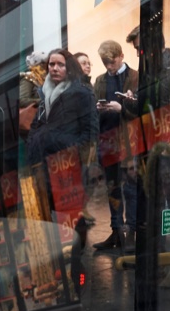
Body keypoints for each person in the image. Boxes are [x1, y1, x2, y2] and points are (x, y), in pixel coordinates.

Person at [93, 39, 140, 251]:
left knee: (130, 187)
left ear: (121, 56)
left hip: (129, 141)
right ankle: (116, 231)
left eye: (111, 61)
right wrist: (99, 108)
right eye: (105, 62)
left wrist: (123, 108)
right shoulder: (100, 80)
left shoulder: (136, 77)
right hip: (108, 140)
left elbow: (143, 111)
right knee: (112, 188)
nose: (108, 66)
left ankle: (130, 231)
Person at [27, 49, 98, 170]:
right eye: (51, 64)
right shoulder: (44, 92)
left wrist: (74, 153)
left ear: (69, 68)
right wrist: (32, 144)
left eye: (61, 65)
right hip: (42, 163)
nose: (55, 68)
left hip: (69, 163)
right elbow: (36, 125)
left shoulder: (81, 93)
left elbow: (90, 131)